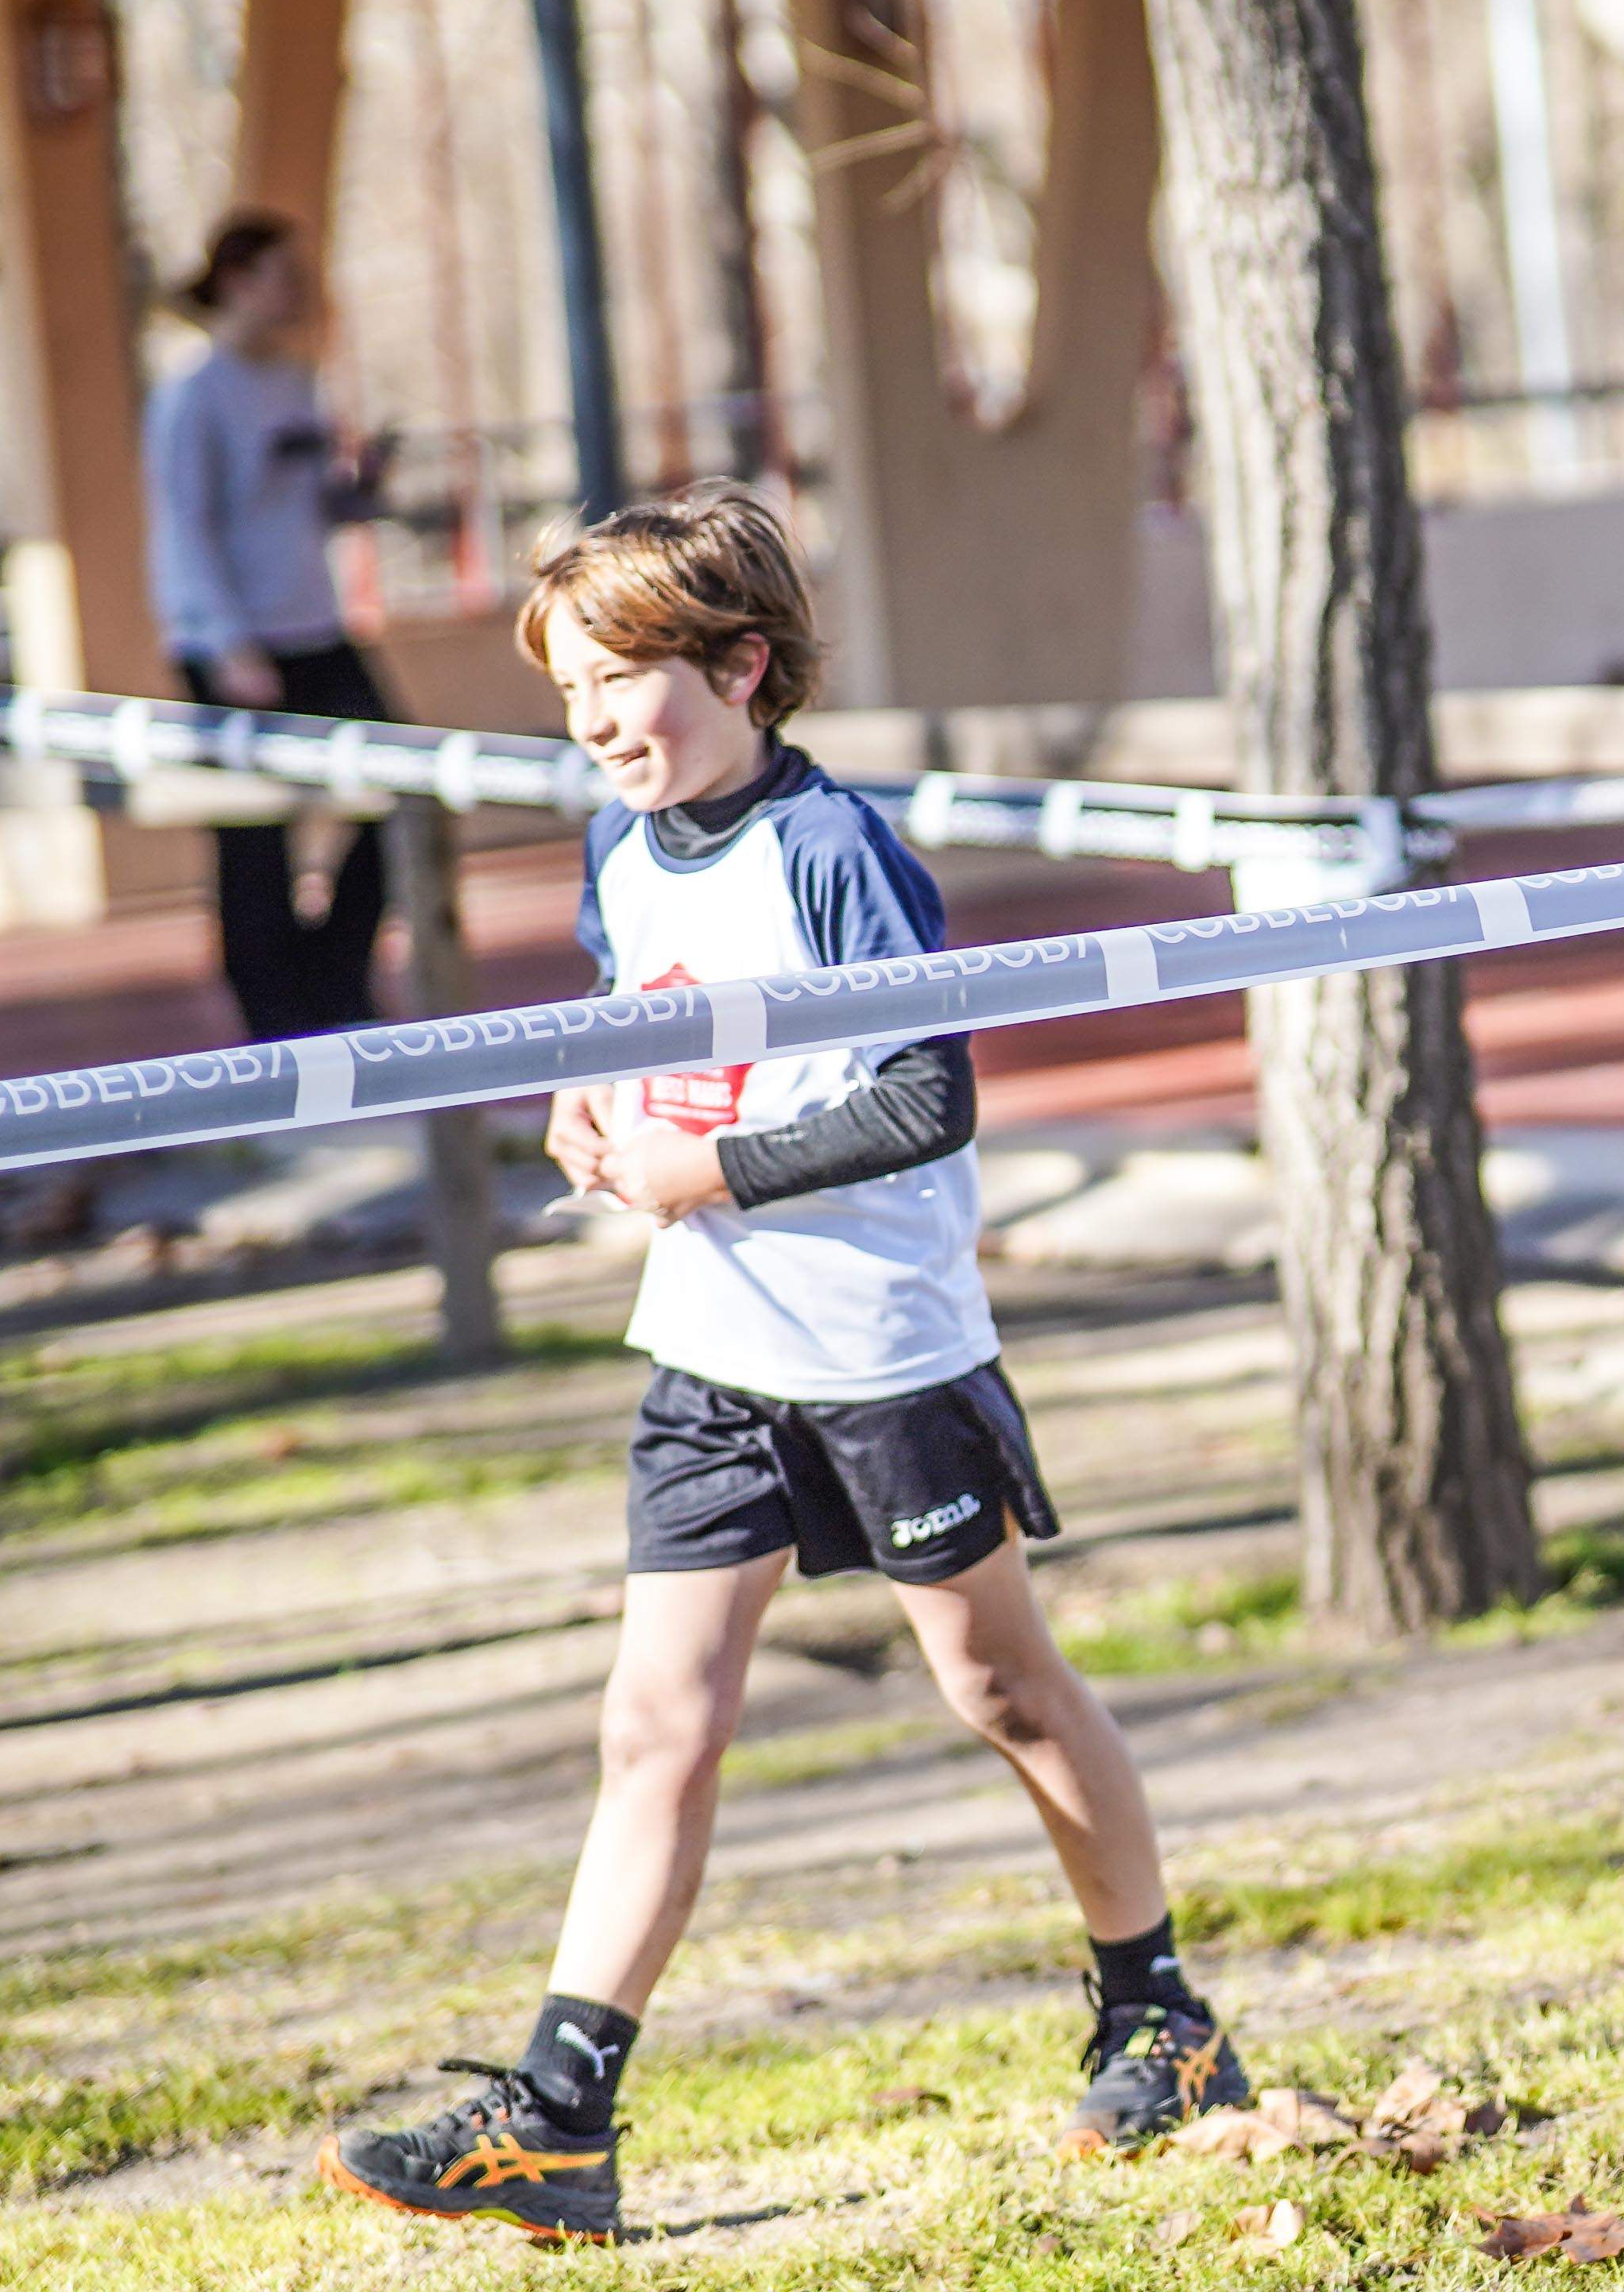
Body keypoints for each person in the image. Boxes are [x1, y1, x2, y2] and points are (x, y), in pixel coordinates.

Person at [322, 484, 1250, 2243]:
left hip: (880, 1355)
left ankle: (1164, 2018)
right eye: (571, 688)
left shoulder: (835, 849)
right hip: (707, 1356)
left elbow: (927, 1092)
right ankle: (557, 2116)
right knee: (652, 1721)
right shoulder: (618, 840)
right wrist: (587, 1099)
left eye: (625, 678)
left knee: (1004, 1690)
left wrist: (713, 1170)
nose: (596, 720)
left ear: (744, 665)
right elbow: (631, 1012)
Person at [141, 211, 396, 1039]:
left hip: (314, 626)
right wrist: (228, 645)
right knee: (255, 835)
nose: (299, 294)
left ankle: (335, 977)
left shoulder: (295, 381)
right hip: (236, 645)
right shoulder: (191, 395)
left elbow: (309, 509)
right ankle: (274, 1016)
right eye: (284, 276)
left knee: (400, 789)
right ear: (238, 279)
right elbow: (185, 526)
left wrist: (366, 485)